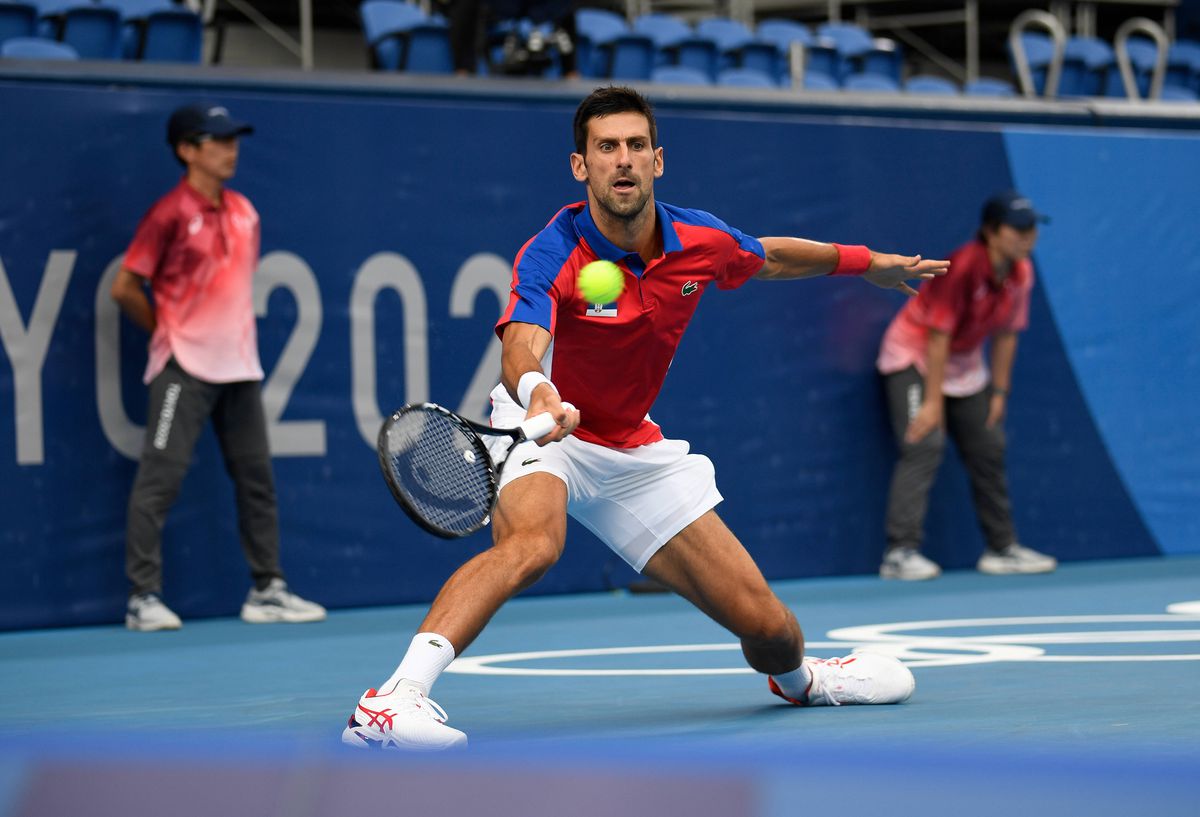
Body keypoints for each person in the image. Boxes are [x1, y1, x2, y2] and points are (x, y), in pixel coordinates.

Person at [342, 86, 948, 750]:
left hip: (631, 448)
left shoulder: (699, 241)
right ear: (582, 166)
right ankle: (390, 701)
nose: (622, 161)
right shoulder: (551, 250)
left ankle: (803, 681)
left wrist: (866, 264)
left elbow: (768, 255)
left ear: (658, 160)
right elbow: (522, 340)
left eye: (635, 146)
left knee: (771, 628)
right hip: (546, 428)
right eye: (606, 148)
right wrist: (539, 390)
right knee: (532, 545)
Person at [111, 103, 326, 632]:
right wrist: (170, 331)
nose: (230, 150)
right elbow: (125, 287)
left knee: (257, 481)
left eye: (234, 140)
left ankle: (267, 589)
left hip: (240, 367)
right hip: (184, 367)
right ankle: (143, 597)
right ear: (187, 150)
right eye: (217, 140)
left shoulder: (245, 211)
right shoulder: (167, 215)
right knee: (160, 480)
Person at [875, 190, 1058, 581]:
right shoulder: (962, 266)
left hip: (964, 366)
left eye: (1032, 229)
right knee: (924, 442)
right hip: (914, 356)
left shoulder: (1022, 273)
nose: (1028, 237)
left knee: (989, 444)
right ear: (992, 232)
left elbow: (1008, 334)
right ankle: (899, 553)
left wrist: (999, 393)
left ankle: (1002, 549)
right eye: (1019, 229)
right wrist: (932, 403)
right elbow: (937, 335)